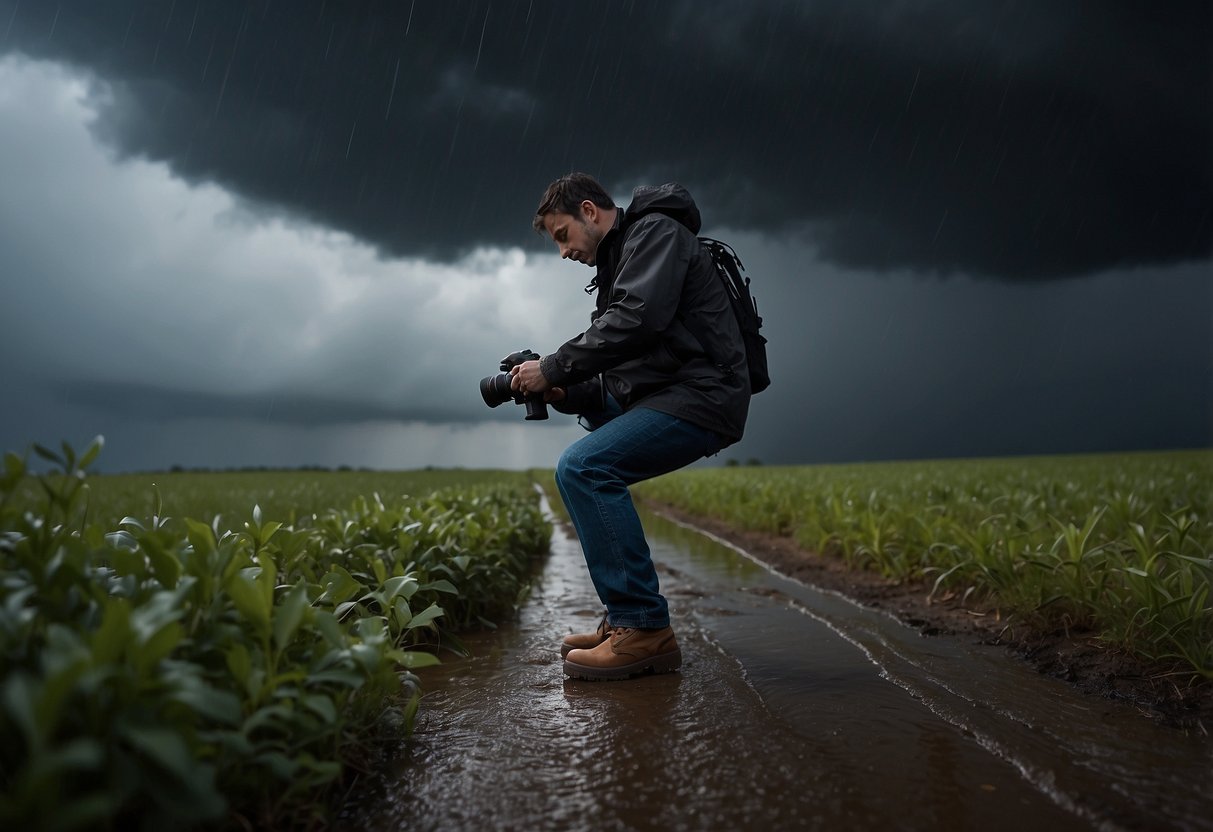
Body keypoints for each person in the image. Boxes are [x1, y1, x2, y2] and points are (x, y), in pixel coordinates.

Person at [510, 172, 751, 681]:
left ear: (590, 212)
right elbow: (621, 373)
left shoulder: (656, 232)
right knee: (580, 468)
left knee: (584, 467)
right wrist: (561, 390)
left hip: (705, 395)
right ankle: (626, 619)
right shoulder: (623, 259)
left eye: (562, 236)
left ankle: (643, 627)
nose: (563, 253)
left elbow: (638, 320)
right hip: (673, 391)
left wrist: (552, 366)